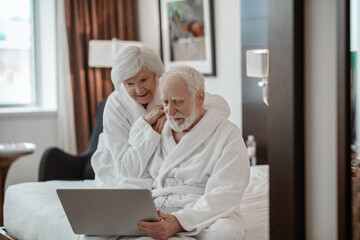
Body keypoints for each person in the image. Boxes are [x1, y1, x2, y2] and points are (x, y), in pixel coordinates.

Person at [134, 65, 250, 240]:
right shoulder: (159, 129)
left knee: (225, 233)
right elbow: (139, 174)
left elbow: (226, 192)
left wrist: (179, 221)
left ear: (200, 97)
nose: (170, 112)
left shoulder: (227, 134)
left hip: (205, 210)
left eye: (178, 102)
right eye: (165, 102)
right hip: (159, 207)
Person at [91, 45, 231, 189]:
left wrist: (173, 112)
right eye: (130, 84)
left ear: (156, 74)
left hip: (160, 168)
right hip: (120, 169)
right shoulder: (116, 105)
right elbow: (127, 169)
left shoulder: (167, 87)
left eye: (144, 80)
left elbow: (221, 106)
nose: (139, 89)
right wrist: (146, 127)